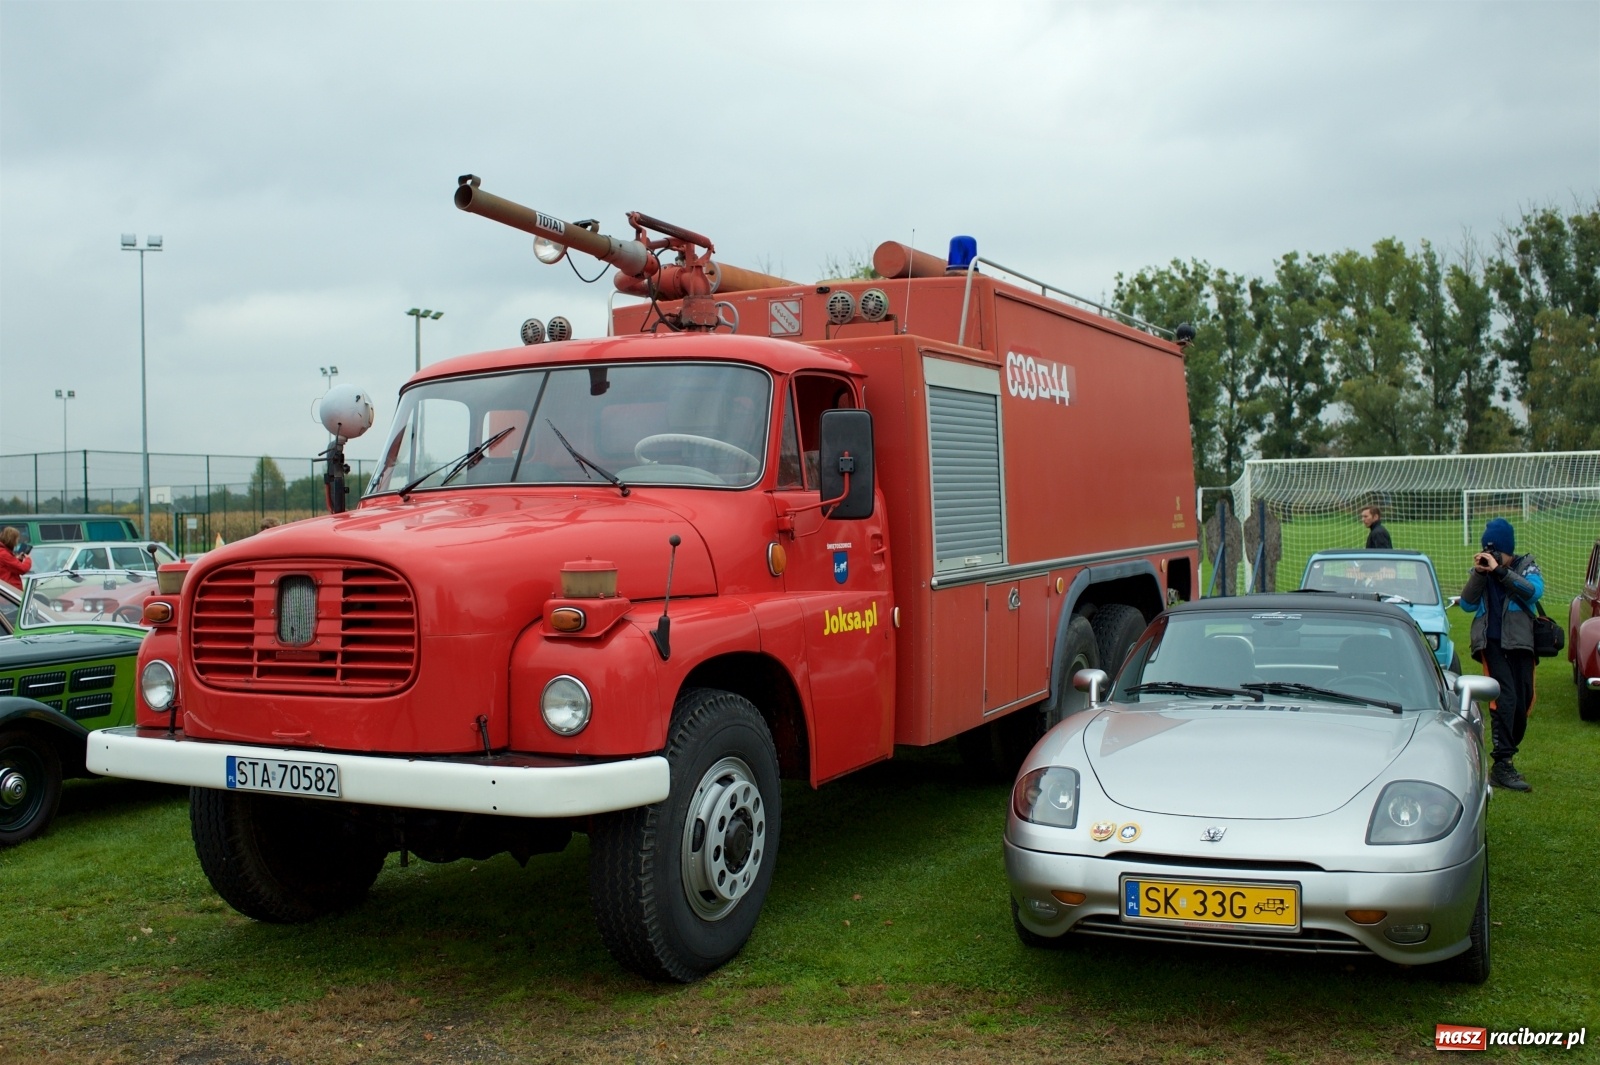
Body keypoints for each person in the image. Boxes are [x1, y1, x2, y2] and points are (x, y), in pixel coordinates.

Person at [1459, 517, 1543, 792]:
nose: (1494, 556)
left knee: (1523, 701)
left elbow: (1533, 592)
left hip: (1520, 642)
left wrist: (1502, 572)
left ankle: (1507, 754)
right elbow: (1468, 604)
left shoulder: (1525, 565)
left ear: (1509, 550)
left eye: (1498, 552)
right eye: (1489, 550)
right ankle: (1502, 763)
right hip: (1491, 643)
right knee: (1504, 699)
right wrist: (1480, 572)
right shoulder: (1483, 571)